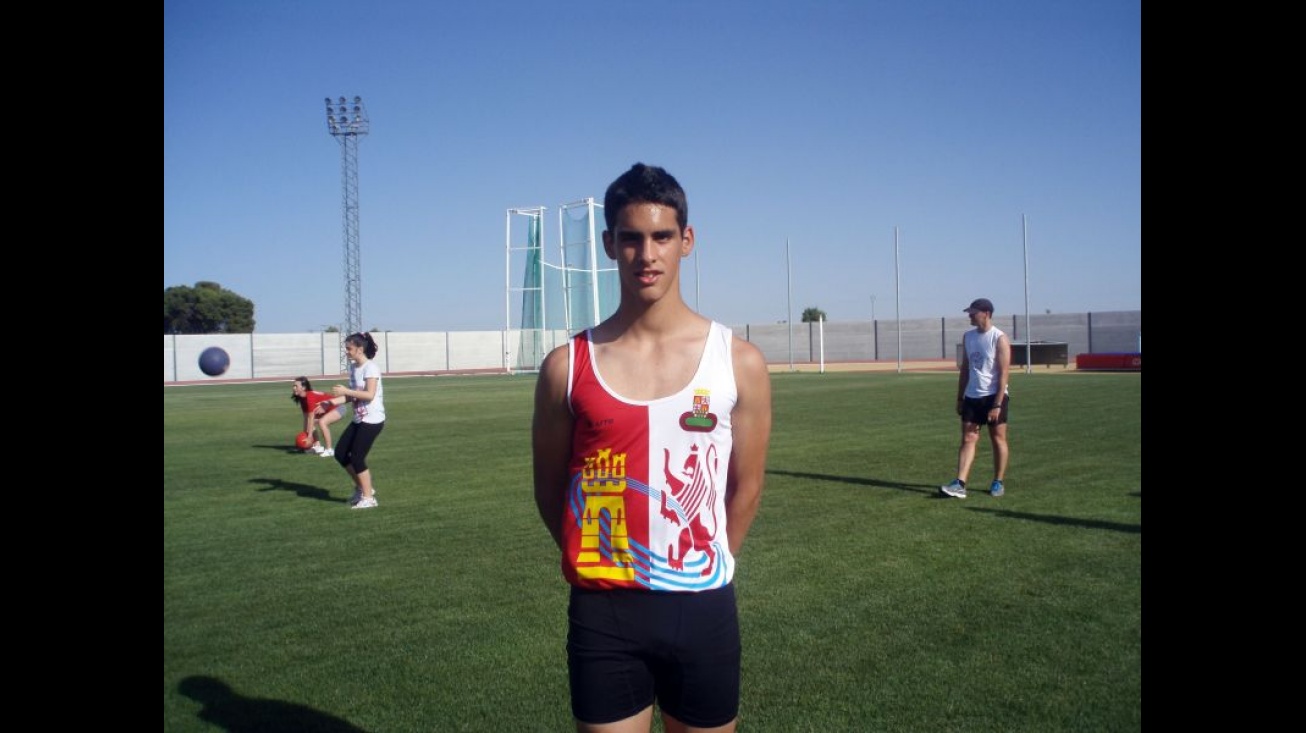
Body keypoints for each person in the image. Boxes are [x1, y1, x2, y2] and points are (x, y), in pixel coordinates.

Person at [532, 163, 773, 733]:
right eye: (632, 238)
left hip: (703, 605)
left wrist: (708, 560)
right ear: (609, 243)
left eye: (662, 236)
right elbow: (549, 487)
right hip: (604, 611)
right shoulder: (567, 367)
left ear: (686, 241)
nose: (648, 254)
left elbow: (747, 485)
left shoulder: (739, 362)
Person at [940, 298, 1011, 499]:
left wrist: (997, 404)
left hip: (994, 396)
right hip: (972, 395)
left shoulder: (999, 338)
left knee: (998, 439)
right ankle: (960, 483)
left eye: (973, 312)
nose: (970, 316)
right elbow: (965, 369)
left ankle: (998, 481)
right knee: (968, 438)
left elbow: (1004, 373)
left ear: (986, 313)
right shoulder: (968, 337)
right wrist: (960, 398)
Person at [316, 332, 386, 509]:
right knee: (340, 454)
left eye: (349, 348)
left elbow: (369, 395)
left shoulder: (371, 368)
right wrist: (328, 403)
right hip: (359, 419)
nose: (346, 352)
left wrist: (347, 391)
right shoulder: (355, 369)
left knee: (357, 457)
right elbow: (352, 397)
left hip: (372, 420)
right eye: (345, 348)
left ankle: (369, 498)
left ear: (360, 349)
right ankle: (363, 488)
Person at [290, 376, 344, 457]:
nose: (294, 388)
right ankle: (317, 447)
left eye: (296, 386)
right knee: (311, 423)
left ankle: (329, 450)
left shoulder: (309, 397)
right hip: (326, 410)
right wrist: (305, 436)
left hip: (338, 407)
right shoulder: (302, 398)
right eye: (293, 386)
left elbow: (311, 417)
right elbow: (306, 418)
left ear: (303, 387)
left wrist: (310, 436)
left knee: (322, 422)